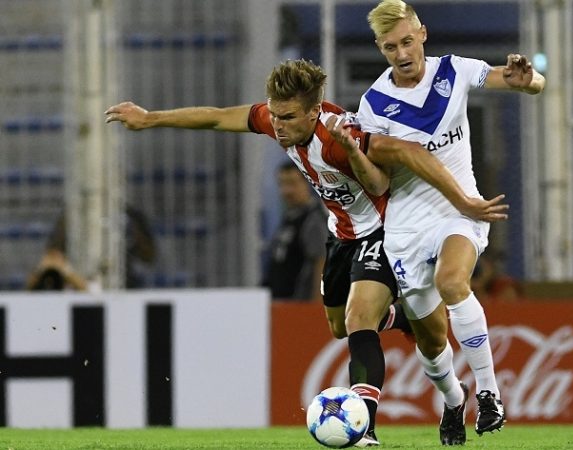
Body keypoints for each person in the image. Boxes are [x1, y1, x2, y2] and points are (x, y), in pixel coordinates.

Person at [105, 59, 507, 447]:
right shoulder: (277, 120)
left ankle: (364, 424)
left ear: (315, 111)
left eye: (289, 118)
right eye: (275, 117)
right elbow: (217, 116)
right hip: (341, 235)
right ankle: (433, 365)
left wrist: (462, 199)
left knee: (360, 318)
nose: (278, 127)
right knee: (344, 327)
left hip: (384, 232)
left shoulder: (341, 133)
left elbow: (394, 170)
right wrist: (150, 117)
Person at [351, 1, 545, 444]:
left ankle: (491, 396)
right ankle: (455, 399)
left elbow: (527, 82)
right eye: (389, 47)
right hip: (406, 227)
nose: (401, 53)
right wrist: (358, 154)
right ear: (381, 50)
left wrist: (528, 82)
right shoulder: (374, 104)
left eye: (405, 41)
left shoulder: (455, 70)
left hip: (461, 210)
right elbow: (380, 184)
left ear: (422, 34)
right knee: (432, 342)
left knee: (454, 282)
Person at [27, 205, 157, 290]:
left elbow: (149, 255)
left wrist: (131, 233)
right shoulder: (72, 216)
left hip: (123, 286)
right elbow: (52, 255)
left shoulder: (130, 215)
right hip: (78, 285)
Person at [262, 161, 327, 302]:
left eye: (292, 183)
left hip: (299, 306)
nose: (287, 191)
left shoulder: (314, 219)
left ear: (307, 183)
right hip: (281, 304)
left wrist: (317, 306)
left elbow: (321, 262)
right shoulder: (290, 217)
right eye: (282, 184)